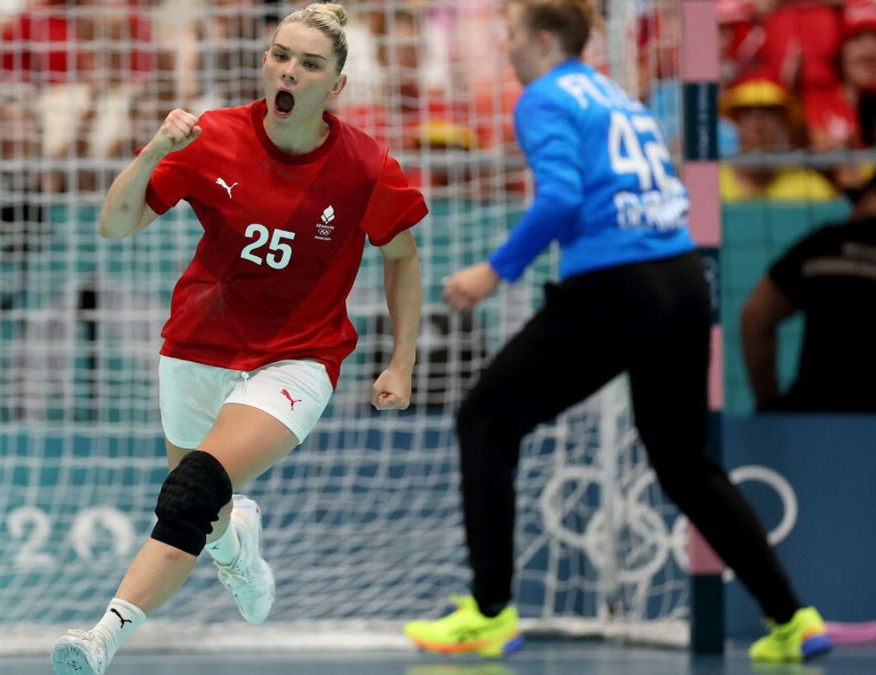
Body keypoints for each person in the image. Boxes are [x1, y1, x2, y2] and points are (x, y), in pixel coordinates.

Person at [403, 0, 830, 664]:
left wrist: (495, 270)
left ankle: (489, 612)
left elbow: (560, 197)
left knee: (485, 419)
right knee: (686, 466)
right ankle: (793, 617)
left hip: (616, 282)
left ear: (544, 39)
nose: (506, 47)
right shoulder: (616, 96)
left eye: (511, 34)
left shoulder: (544, 96)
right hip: (684, 280)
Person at [51, 3, 426, 674]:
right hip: (195, 348)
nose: (289, 70)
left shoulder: (366, 165)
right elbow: (115, 224)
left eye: (310, 64)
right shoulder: (214, 135)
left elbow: (401, 255)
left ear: (334, 86)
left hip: (298, 358)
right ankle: (237, 546)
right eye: (281, 54)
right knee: (207, 509)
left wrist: (401, 360)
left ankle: (100, 637)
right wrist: (154, 150)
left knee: (191, 491)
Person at [741, 173, 876, 413]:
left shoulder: (823, 243)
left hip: (815, 408)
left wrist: (768, 403)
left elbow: (754, 317)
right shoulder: (823, 243)